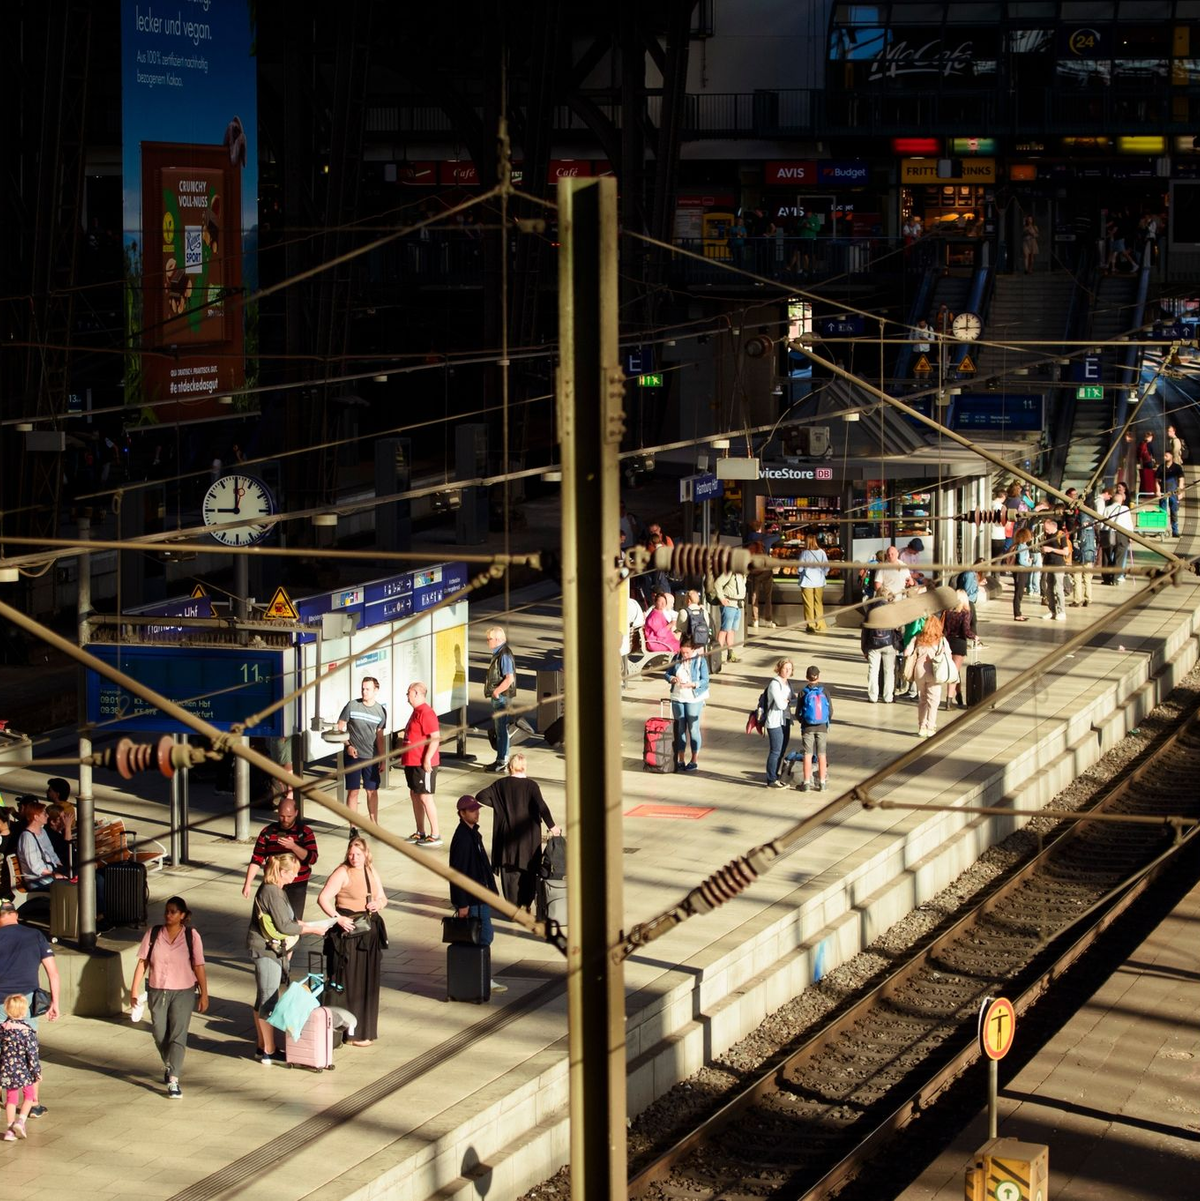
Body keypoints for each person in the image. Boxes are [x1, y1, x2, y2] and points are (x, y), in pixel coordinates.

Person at [247, 853, 329, 1065]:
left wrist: (307, 925)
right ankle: (269, 1050)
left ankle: (261, 1046)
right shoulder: (273, 892)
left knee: (262, 998)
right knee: (268, 999)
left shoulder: (274, 889)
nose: (295, 877)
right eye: (293, 873)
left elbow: (287, 919)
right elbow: (285, 926)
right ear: (282, 872)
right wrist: (311, 930)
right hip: (267, 951)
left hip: (266, 948)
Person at [129, 898, 209, 1099]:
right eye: (167, 911)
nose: (168, 915)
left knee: (178, 1035)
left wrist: (204, 994)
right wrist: (134, 990)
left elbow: (199, 965)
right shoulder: (154, 933)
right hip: (158, 990)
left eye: (173, 912)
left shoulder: (191, 936)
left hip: (183, 991)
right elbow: (143, 962)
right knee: (159, 1032)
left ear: (182, 915)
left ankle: (174, 1078)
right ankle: (169, 1062)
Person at [318, 837, 388, 1047]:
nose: (354, 857)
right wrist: (338, 918)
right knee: (350, 981)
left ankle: (364, 1030)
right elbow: (323, 898)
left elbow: (383, 897)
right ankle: (350, 1032)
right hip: (349, 935)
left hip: (368, 933)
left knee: (367, 982)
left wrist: (378, 904)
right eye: (351, 853)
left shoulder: (370, 870)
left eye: (358, 854)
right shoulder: (342, 872)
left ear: (366, 854)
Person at [475, 755, 559, 909]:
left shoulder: (500, 784)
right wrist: (553, 827)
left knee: (509, 874)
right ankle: (526, 904)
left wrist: (498, 805)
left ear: (510, 767)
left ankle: (513, 907)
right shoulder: (531, 786)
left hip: (507, 840)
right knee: (529, 872)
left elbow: (480, 796)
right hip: (528, 839)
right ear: (524, 767)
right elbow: (542, 806)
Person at [449, 795, 507, 995]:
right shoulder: (463, 838)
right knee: (482, 937)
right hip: (472, 900)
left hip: (481, 897)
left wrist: (492, 892)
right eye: (472, 810)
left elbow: (483, 867)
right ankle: (481, 978)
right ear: (462, 813)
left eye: (477, 809)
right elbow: (457, 874)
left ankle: (481, 977)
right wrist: (462, 903)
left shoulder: (473, 834)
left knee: (483, 937)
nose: (477, 813)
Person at [242, 796, 320, 919]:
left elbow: (312, 858)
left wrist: (294, 847)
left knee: (293, 920)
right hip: (273, 883)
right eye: (282, 816)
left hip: (296, 884)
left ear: (296, 813)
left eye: (289, 816)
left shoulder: (305, 832)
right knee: (269, 919)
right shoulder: (268, 832)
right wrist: (248, 883)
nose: (285, 820)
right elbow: (257, 859)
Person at [336, 677, 387, 823]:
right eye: (363, 688)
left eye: (367, 689)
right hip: (353, 756)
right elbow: (339, 728)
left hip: (371, 756)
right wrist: (348, 745)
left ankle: (373, 824)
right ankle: (353, 826)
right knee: (353, 791)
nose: (364, 692)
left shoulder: (381, 711)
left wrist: (382, 759)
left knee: (372, 791)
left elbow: (380, 737)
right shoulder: (352, 706)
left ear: (376, 691)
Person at [400, 681, 442, 848]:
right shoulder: (416, 712)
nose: (407, 696)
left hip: (422, 763)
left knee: (425, 796)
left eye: (409, 693)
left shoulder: (426, 712)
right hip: (412, 762)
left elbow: (435, 737)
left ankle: (435, 834)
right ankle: (420, 831)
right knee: (415, 794)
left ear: (417, 693)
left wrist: (427, 758)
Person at [665, 638, 710, 772]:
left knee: (693, 728)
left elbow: (705, 680)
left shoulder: (700, 660)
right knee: (680, 728)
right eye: (682, 652)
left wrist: (693, 684)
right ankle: (680, 759)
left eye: (687, 653)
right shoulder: (676, 658)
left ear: (693, 650)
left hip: (694, 697)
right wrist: (672, 678)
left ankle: (694, 759)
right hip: (678, 696)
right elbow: (667, 674)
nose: (684, 655)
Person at [906, 614, 952, 738]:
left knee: (922, 699)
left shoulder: (918, 637)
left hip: (919, 671)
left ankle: (922, 727)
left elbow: (906, 652)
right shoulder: (941, 640)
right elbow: (948, 654)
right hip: (934, 672)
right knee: (933, 701)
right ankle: (930, 727)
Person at [1, 993, 40, 1140]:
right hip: (24, 1070)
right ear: (24, 1011)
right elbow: (32, 1055)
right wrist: (36, 1072)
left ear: (7, 1009)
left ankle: (10, 1130)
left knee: (11, 1099)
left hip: (6, 1070)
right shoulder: (27, 1031)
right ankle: (21, 1121)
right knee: (29, 1096)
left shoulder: (3, 1029)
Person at [484, 626, 517, 773]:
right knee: (500, 730)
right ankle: (501, 758)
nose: (487, 641)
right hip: (501, 697)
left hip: (502, 697)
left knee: (501, 730)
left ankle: (502, 760)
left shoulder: (504, 654)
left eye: (489, 639)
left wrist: (496, 692)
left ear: (498, 640)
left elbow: (509, 678)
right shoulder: (500, 653)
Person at [796, 665, 833, 792]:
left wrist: (803, 721)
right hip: (822, 727)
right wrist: (825, 721)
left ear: (807, 677)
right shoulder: (825, 691)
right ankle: (822, 783)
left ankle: (806, 783)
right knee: (822, 755)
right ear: (818, 676)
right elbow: (830, 711)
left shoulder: (803, 692)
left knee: (807, 755)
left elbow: (798, 713)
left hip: (807, 728)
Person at [16, 801, 67, 891]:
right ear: (36, 817)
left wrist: (61, 867)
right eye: (44, 813)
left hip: (50, 872)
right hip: (37, 879)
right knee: (68, 888)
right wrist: (54, 874)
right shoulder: (27, 837)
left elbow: (51, 853)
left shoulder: (42, 831)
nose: (47, 815)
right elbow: (35, 867)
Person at [861, 599, 902, 704]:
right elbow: (898, 629)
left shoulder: (871, 611)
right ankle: (888, 697)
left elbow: (865, 631)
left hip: (873, 645)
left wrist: (864, 648)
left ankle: (873, 696)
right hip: (889, 645)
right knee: (889, 672)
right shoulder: (892, 611)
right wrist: (898, 644)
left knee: (873, 671)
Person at [942, 591, 977, 707]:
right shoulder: (965, 613)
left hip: (948, 642)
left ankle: (959, 694)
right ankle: (949, 700)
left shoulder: (947, 612)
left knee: (953, 671)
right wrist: (974, 636)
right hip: (959, 643)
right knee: (954, 672)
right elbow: (966, 630)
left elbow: (944, 629)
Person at [764, 659, 794, 788]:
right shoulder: (774, 684)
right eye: (785, 668)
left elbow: (793, 700)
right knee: (775, 751)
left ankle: (775, 775)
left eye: (790, 669)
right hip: (775, 721)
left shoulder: (788, 683)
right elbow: (781, 705)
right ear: (779, 669)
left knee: (781, 750)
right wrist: (787, 701)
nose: (787, 671)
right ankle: (771, 779)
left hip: (785, 720)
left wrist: (788, 701)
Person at [714, 566, 747, 663]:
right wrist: (722, 598)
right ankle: (718, 655)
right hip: (729, 605)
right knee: (724, 630)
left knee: (732, 630)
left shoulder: (743, 574)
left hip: (738, 605)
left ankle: (730, 653)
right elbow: (717, 584)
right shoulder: (730, 572)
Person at [797, 534, 829, 633]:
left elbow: (800, 568)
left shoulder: (804, 553)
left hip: (807, 582)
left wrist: (801, 572)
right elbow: (827, 567)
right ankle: (821, 625)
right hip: (819, 582)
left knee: (808, 605)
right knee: (818, 603)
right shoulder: (822, 552)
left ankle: (811, 626)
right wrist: (822, 574)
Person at [1040, 517, 1070, 621]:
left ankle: (1062, 611)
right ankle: (1052, 610)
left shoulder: (1060, 535)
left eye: (1047, 528)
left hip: (1058, 564)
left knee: (1058, 588)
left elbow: (1065, 551)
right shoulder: (1046, 535)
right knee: (1049, 589)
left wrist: (1051, 549)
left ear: (1053, 526)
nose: (1045, 530)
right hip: (1048, 564)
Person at [1071, 503, 1098, 608]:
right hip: (1090, 554)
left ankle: (1077, 600)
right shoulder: (1092, 526)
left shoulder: (1077, 526)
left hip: (1078, 554)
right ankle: (1088, 598)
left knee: (1077, 578)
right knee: (1087, 578)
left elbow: (1074, 539)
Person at [643, 592, 681, 658]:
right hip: (656, 643)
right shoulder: (654, 616)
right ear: (655, 602)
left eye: (664, 602)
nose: (663, 604)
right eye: (660, 602)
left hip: (661, 640)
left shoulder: (659, 612)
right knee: (679, 646)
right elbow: (660, 633)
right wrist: (670, 624)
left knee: (681, 643)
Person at [1160, 450, 1186, 537]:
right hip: (1163, 493)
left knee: (1174, 512)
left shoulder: (1177, 467)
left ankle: (1175, 531)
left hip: (1174, 493)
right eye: (1164, 456)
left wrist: (1180, 491)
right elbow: (1156, 480)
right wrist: (1157, 490)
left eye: (1166, 456)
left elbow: (1181, 479)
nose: (1164, 457)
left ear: (1171, 456)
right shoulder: (1161, 467)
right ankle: (1161, 530)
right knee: (1162, 512)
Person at [1009, 527, 1033, 619]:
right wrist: (1029, 563)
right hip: (1021, 571)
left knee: (1018, 592)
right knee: (1019, 593)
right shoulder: (1022, 547)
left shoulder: (1018, 546)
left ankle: (1018, 613)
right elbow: (1022, 561)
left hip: (1018, 571)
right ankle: (1017, 614)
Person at [1138, 431, 1159, 499]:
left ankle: (1143, 492)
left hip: (1143, 462)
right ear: (1150, 437)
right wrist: (1154, 461)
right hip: (1149, 461)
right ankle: (1150, 492)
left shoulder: (1142, 443)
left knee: (1144, 477)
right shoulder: (1149, 444)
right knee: (1150, 477)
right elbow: (1151, 453)